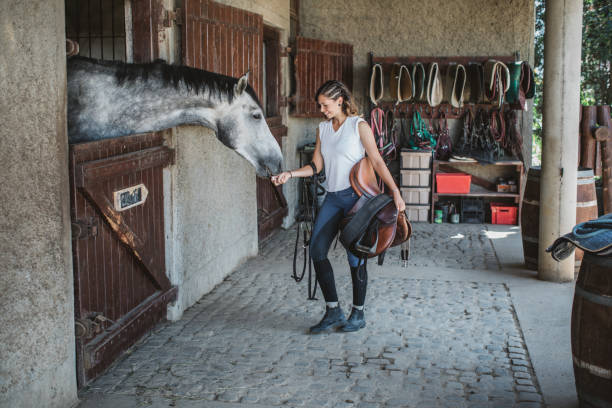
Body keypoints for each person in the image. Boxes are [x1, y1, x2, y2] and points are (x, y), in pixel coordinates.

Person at [272, 80, 405, 333]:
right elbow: (316, 166)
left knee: (356, 257)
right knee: (317, 251)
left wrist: (395, 191)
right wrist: (290, 174)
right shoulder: (323, 128)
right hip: (332, 199)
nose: (322, 110)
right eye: (320, 106)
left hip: (358, 201)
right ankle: (333, 311)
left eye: (326, 105)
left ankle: (358, 313)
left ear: (340, 100)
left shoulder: (359, 126)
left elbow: (376, 161)